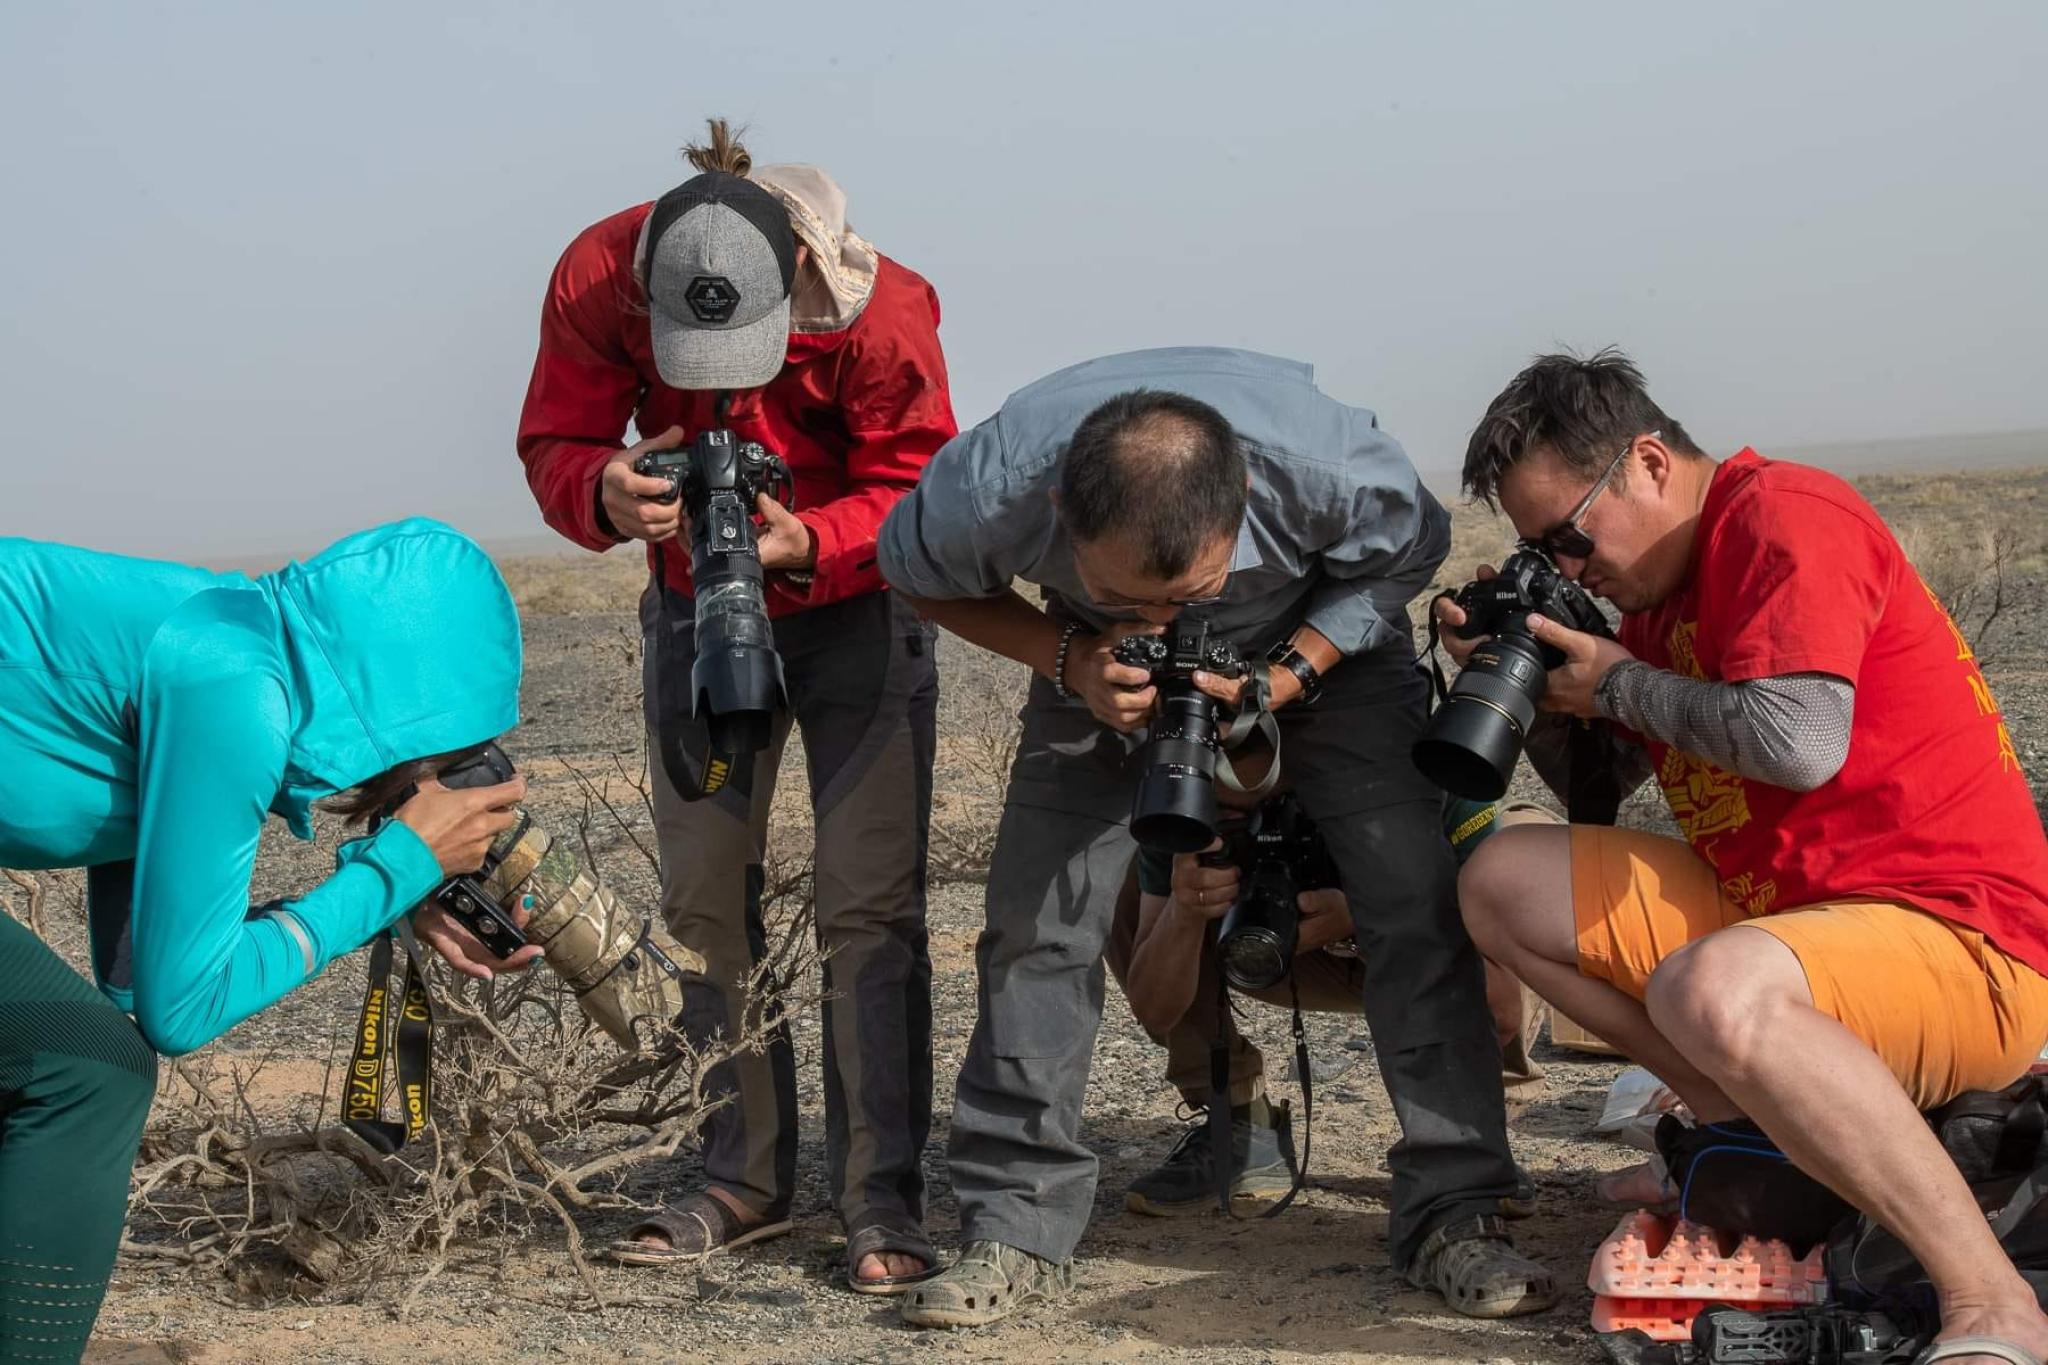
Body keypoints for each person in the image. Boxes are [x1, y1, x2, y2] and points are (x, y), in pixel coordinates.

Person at [877, 348, 1556, 1328]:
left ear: (1245, 502)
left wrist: (1295, 671)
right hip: (1099, 675)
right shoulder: (985, 489)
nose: (1165, 619)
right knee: (1034, 926)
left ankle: (1455, 1212)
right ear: (1062, 513)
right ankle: (1013, 1227)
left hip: (1324, 652)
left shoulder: (1325, 469)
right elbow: (910, 574)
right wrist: (1071, 657)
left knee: (1411, 898)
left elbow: (1412, 550)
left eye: (1187, 597)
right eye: (1134, 596)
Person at [1444, 349, 2048, 1365]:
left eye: (1568, 536)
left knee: (1710, 990)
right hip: (1800, 929)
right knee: (1501, 881)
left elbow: (1796, 743)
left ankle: (1988, 1299)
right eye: (1541, 551)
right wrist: (1539, 683)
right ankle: (1761, 1142)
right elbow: (1599, 797)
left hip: (1963, 945)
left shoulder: (1784, 516)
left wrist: (1618, 686)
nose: (1571, 565)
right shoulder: (1650, 602)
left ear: (1644, 461)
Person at [515, 120, 957, 1292]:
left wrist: (811, 538)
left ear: (800, 279)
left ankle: (880, 1197)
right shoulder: (598, 274)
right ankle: (740, 1176)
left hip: (856, 606)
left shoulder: (882, 306)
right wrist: (603, 494)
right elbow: (555, 440)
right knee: (705, 900)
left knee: (869, 907)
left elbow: (921, 485)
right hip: (687, 609)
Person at [0, 519, 526, 1364]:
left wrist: (386, 898)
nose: (437, 782)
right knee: (88, 1071)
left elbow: (141, 978)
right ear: (401, 707)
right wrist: (393, 869)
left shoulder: (227, 642)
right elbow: (180, 1012)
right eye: (450, 755)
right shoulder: (234, 691)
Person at [1108, 788, 1557, 1218]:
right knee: (1111, 856)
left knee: (1522, 856)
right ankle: (1240, 1123)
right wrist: (1185, 910)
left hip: (1410, 945)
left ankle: (1470, 1132)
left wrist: (1367, 917)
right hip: (1270, 946)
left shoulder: (1415, 757)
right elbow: (1155, 1008)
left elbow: (1498, 1008)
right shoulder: (1184, 784)